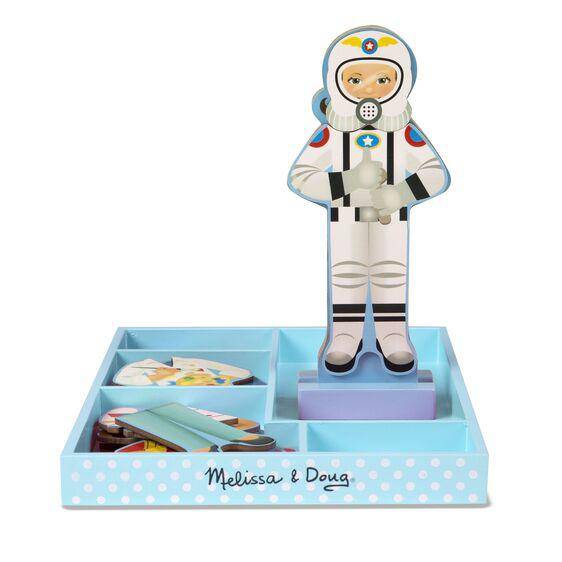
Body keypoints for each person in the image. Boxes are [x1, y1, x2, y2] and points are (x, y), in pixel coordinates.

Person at [288, 26, 450, 375]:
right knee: (346, 276)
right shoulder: (331, 132)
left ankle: (393, 335)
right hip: (344, 219)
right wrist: (348, 180)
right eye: (356, 80)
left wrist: (402, 193)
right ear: (337, 83)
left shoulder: (404, 132)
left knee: (391, 275)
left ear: (401, 83)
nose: (369, 91)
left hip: (391, 220)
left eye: (382, 80)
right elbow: (301, 177)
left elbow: (435, 173)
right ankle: (345, 335)